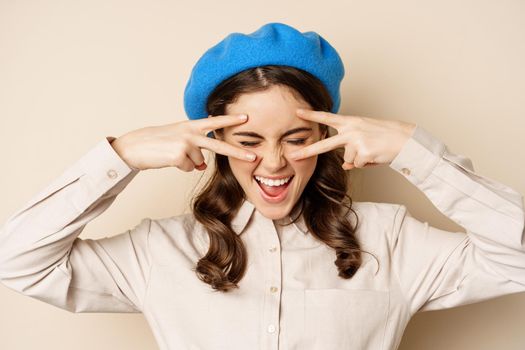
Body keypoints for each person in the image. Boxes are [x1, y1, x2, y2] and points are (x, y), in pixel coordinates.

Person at [0, 22, 524, 350]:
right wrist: (121, 157)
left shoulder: (392, 241)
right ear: (214, 137)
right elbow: (16, 260)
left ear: (326, 134)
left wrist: (416, 152)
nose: (273, 161)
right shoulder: (160, 251)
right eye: (248, 139)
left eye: (296, 138)